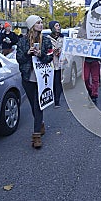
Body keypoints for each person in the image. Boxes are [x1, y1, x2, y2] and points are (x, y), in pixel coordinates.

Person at [16, 15, 53, 148]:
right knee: (33, 105)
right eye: (38, 23)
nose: (41, 25)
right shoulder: (22, 41)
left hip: (42, 78)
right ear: (32, 26)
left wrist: (40, 54)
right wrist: (28, 53)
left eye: (41, 22)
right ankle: (40, 123)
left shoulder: (47, 40)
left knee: (38, 105)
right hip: (28, 77)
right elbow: (19, 58)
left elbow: (50, 57)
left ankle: (36, 136)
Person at [77, 11, 101, 109]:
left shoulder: (97, 28)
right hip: (85, 59)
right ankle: (90, 90)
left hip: (95, 58)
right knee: (85, 78)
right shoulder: (82, 29)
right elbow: (78, 41)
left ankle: (94, 96)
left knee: (95, 79)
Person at [47, 20, 64, 108]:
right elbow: (45, 50)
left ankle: (57, 100)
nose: (58, 27)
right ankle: (53, 98)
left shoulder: (63, 38)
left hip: (61, 63)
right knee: (53, 82)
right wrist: (53, 51)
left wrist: (61, 51)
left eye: (59, 26)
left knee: (59, 82)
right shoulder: (47, 38)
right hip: (51, 64)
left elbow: (66, 49)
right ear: (52, 27)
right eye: (56, 26)